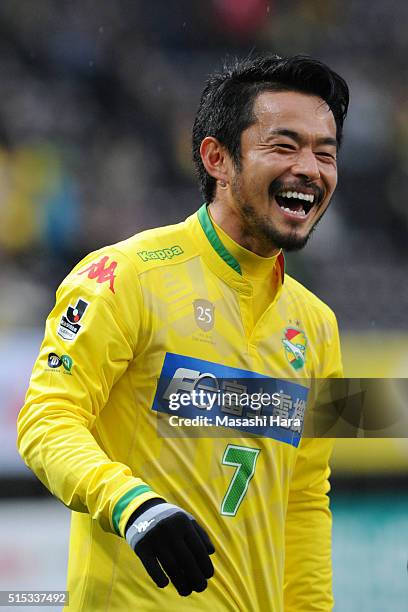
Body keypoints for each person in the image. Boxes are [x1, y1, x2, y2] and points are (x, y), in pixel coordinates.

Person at [17, 54, 349, 611]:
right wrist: (133, 505)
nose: (310, 169)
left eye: (325, 152)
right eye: (284, 146)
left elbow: (306, 495)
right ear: (217, 158)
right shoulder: (126, 275)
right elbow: (45, 421)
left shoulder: (318, 325)